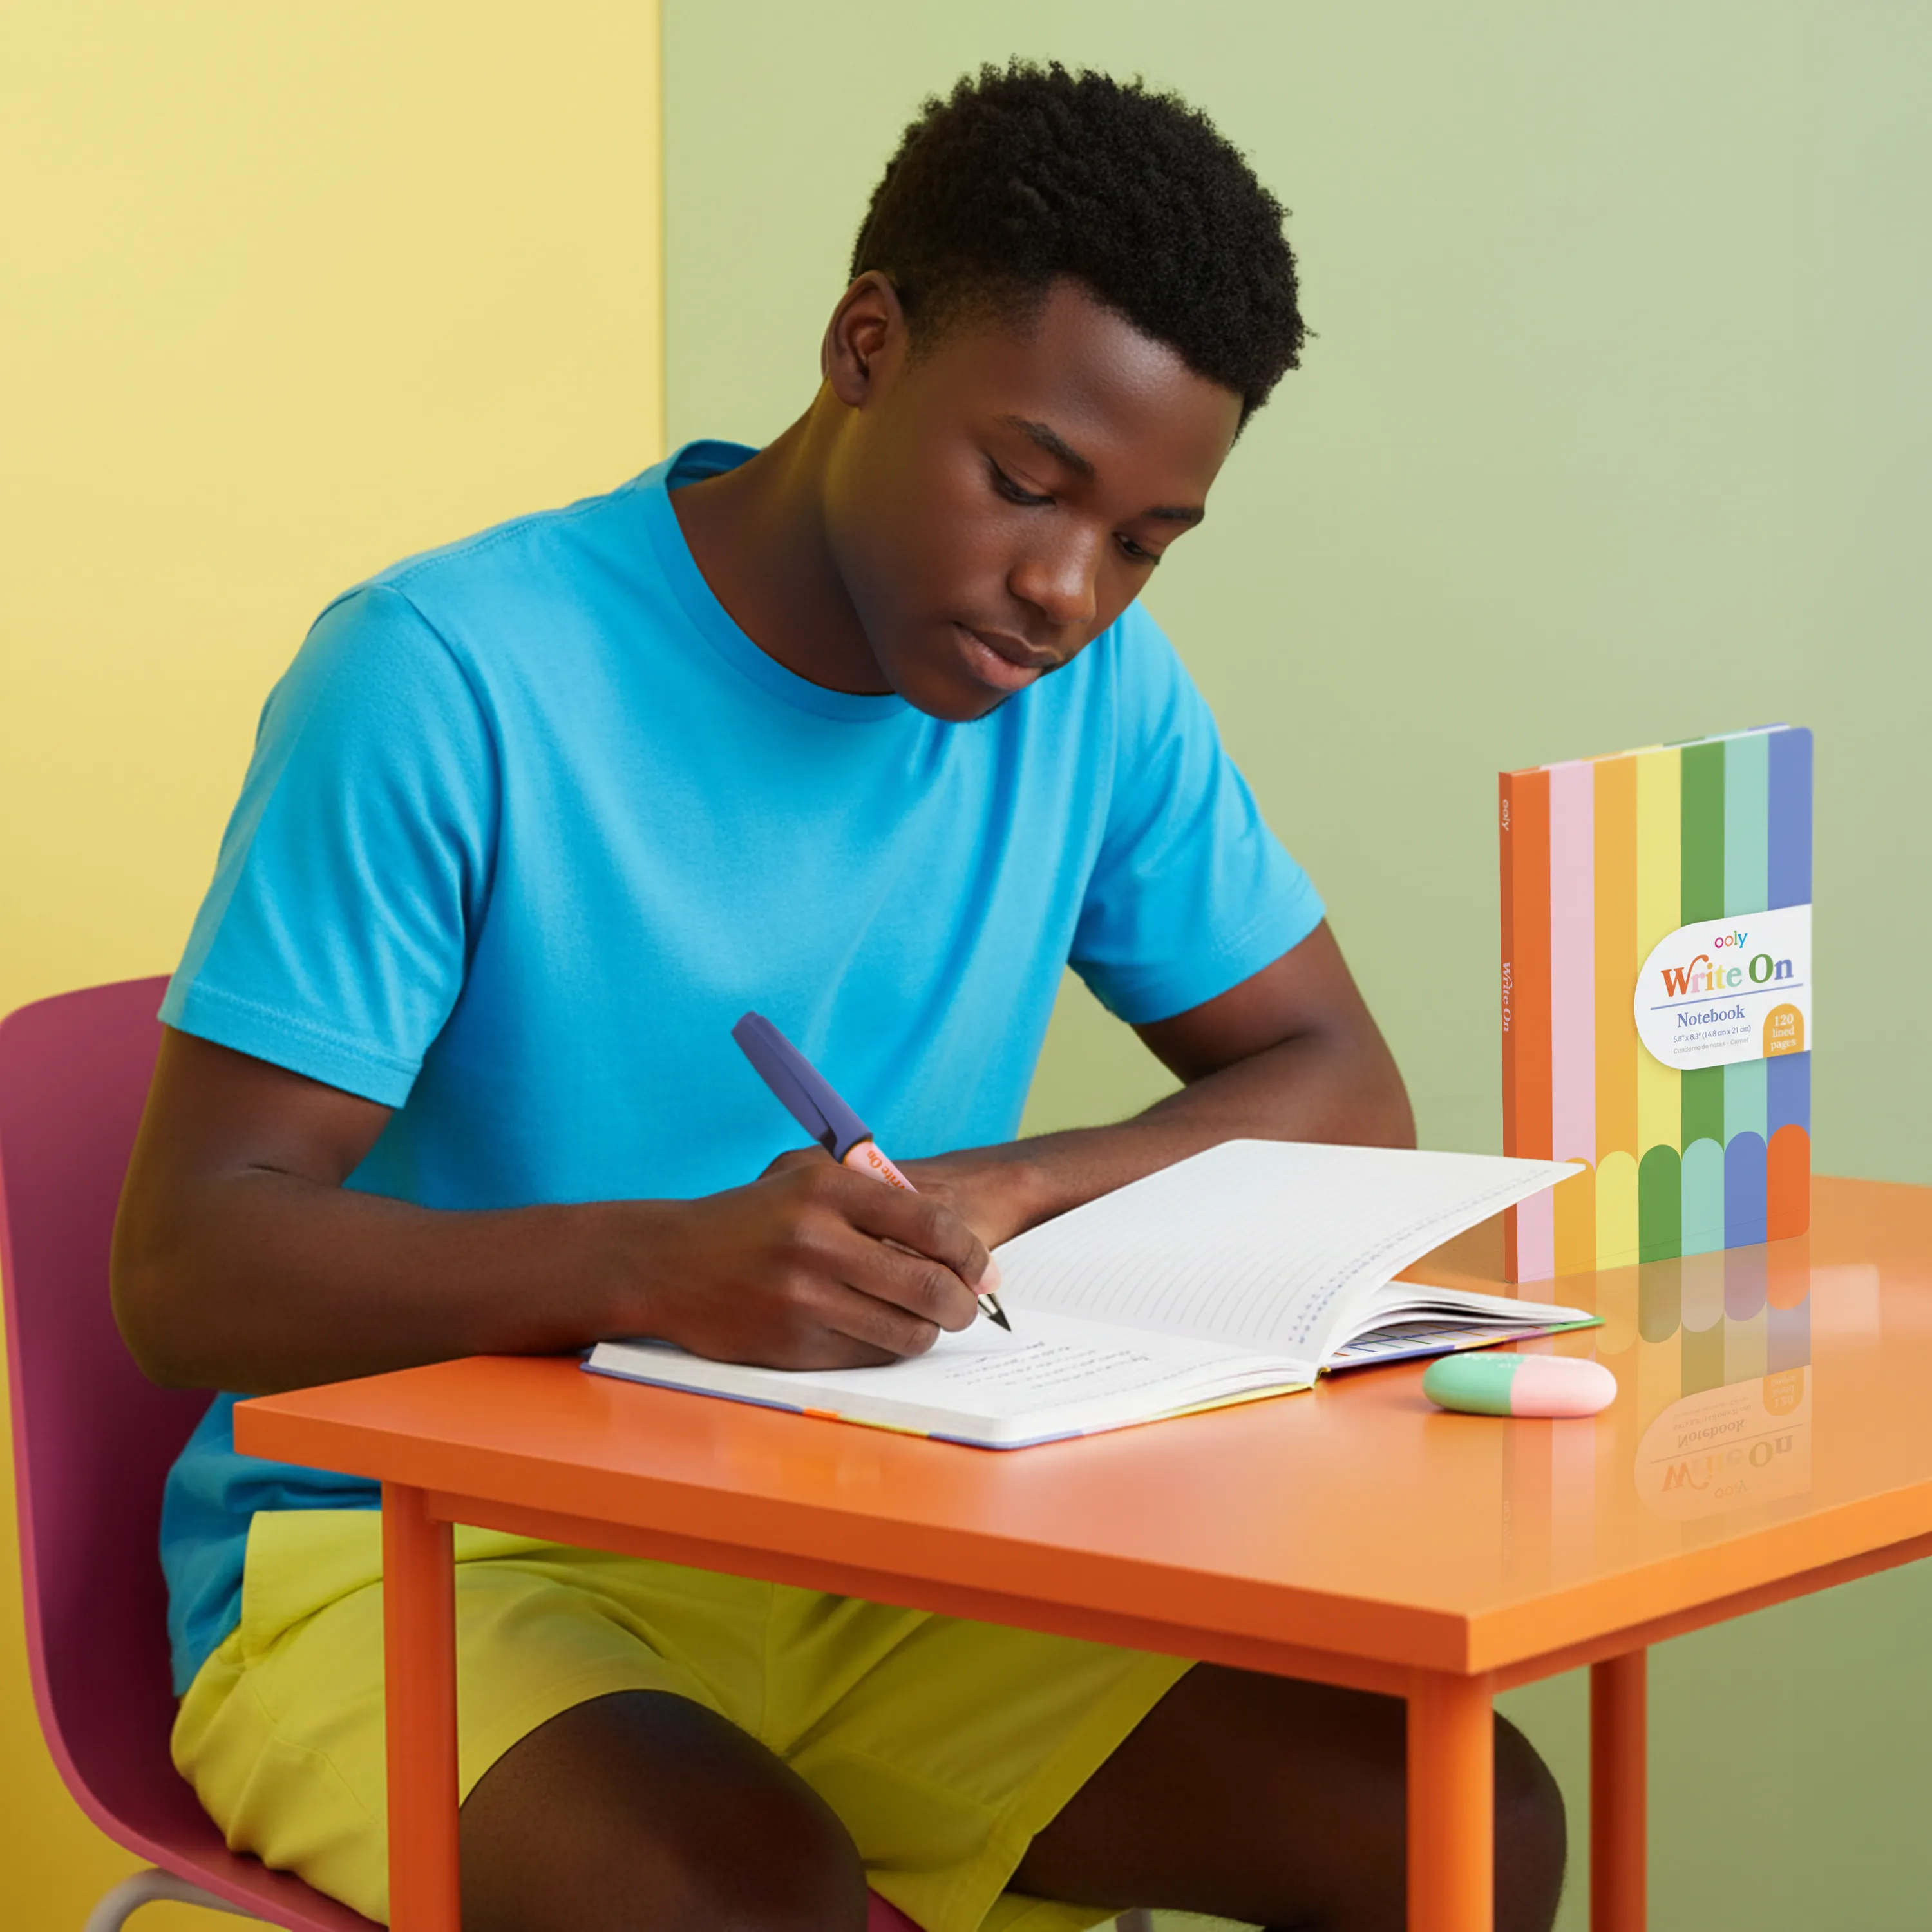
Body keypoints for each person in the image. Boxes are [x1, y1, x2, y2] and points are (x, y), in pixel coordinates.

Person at [113, 61, 1566, 1932]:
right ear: (863, 345)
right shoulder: (447, 675)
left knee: (1451, 1820)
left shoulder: (1094, 705)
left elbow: (1336, 1079)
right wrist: (655, 1268)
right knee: (742, 1899)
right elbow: (187, 1273)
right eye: (1028, 484)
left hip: (866, 1535)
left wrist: (992, 1189)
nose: (1065, 591)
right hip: (416, 1557)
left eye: (1140, 541)